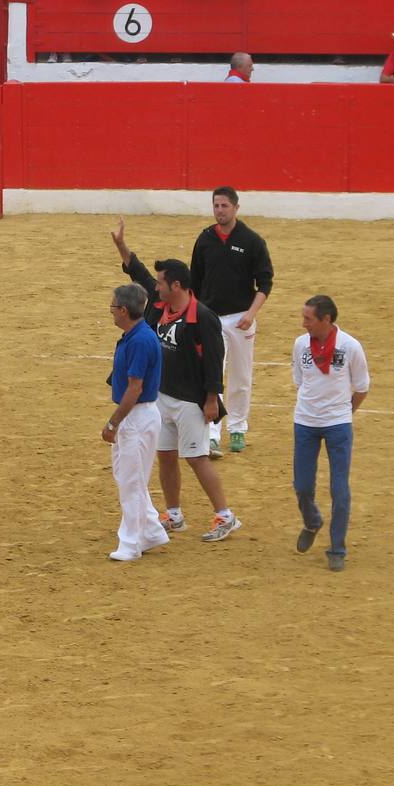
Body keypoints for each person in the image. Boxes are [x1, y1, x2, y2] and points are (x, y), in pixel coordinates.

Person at [111, 220, 241, 542]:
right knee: (166, 455)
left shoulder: (203, 317)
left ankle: (225, 515)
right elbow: (139, 276)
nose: (155, 287)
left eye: (161, 283)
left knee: (196, 457)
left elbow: (214, 360)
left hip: (192, 400)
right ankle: (174, 513)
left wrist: (212, 399)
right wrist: (123, 248)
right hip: (163, 396)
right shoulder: (161, 306)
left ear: (178, 286)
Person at [189, 187, 273, 457]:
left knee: (241, 376)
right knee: (213, 375)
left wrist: (251, 313)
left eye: (225, 206)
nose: (220, 210)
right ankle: (212, 433)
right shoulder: (204, 240)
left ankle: (237, 427)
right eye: (216, 205)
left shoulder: (252, 241)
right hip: (211, 318)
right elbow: (195, 284)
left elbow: (265, 282)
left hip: (241, 319)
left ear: (236, 207)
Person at [291, 295, 370, 572]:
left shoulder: (350, 347)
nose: (304, 324)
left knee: (339, 489)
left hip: (338, 424)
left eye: (308, 319)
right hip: (305, 422)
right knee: (302, 485)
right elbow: (299, 381)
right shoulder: (301, 344)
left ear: (326, 319)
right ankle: (312, 521)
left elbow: (361, 388)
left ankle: (337, 547)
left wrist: (344, 414)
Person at [101, 283, 170, 563]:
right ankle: (151, 529)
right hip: (137, 415)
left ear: (124, 310)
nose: (111, 312)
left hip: (136, 416)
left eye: (113, 307)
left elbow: (135, 387)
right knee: (127, 475)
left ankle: (130, 542)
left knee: (131, 481)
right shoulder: (136, 335)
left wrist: (114, 423)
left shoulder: (140, 340)